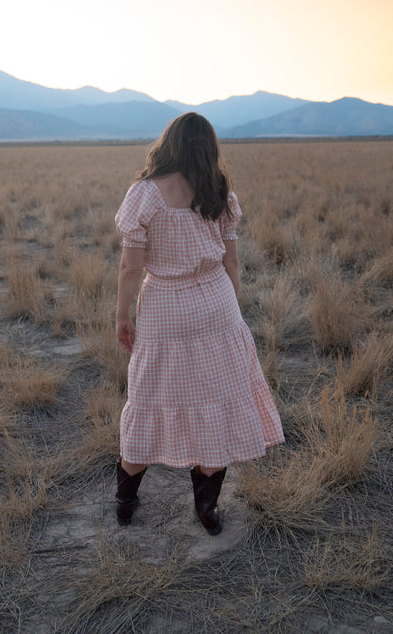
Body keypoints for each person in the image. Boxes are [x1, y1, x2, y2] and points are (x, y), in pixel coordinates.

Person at [114, 112, 284, 535]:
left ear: (168, 143)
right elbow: (232, 261)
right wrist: (229, 307)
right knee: (217, 397)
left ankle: (125, 503)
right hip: (216, 301)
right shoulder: (219, 192)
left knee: (149, 396)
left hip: (165, 308)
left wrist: (122, 313)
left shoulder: (145, 195)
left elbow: (131, 269)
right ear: (209, 148)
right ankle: (207, 510)